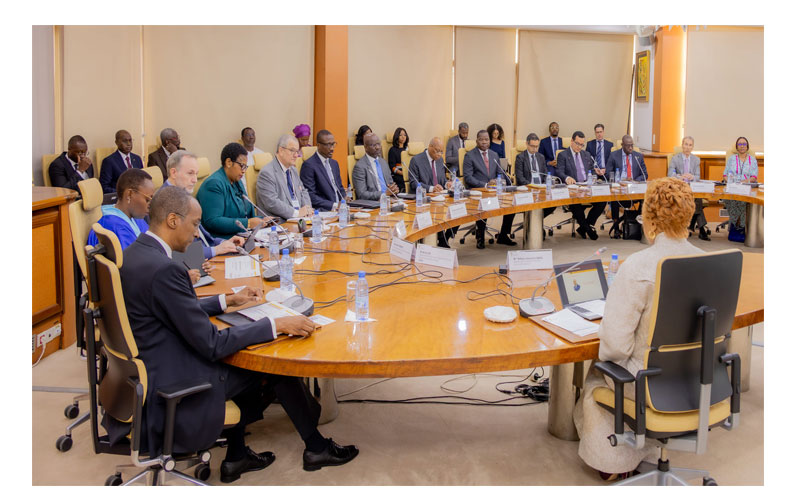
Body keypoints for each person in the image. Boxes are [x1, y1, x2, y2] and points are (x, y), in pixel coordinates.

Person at [105, 185, 359, 482]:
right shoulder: (165, 270)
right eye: (195, 224)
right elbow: (212, 344)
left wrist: (227, 300)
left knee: (248, 352)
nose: (197, 233)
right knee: (272, 362)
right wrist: (275, 325)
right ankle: (316, 448)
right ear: (173, 220)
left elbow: (172, 307)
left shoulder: (137, 253)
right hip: (173, 382)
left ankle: (237, 456)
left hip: (150, 367)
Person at [574, 177, 702, 481]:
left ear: (649, 219)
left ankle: (615, 458)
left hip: (647, 384)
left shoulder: (638, 267)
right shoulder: (707, 261)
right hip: (696, 379)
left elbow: (616, 347)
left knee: (595, 375)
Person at [161, 150, 245, 258]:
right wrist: (215, 250)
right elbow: (178, 252)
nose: (195, 180)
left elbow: (205, 238)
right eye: (190, 173)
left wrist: (224, 242)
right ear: (173, 173)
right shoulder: (164, 202)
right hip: (194, 265)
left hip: (207, 257)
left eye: (196, 174)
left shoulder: (183, 194)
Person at [196, 142, 264, 239]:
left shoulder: (236, 181)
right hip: (222, 241)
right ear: (228, 163)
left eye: (246, 167)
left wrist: (262, 220)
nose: (244, 171)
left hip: (243, 236)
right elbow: (213, 221)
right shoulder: (214, 184)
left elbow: (247, 211)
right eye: (242, 166)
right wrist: (248, 223)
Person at [462, 130, 516, 248]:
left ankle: (503, 234)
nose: (484, 142)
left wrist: (499, 180)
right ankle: (480, 237)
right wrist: (485, 185)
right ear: (477, 141)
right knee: (484, 204)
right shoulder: (469, 156)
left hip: (494, 190)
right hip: (479, 191)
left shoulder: (494, 155)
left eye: (486, 139)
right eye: (481, 139)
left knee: (511, 203)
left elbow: (499, 172)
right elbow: (468, 178)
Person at [555, 131, 606, 240]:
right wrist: (567, 178)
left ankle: (584, 227)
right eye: (577, 143)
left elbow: (592, 170)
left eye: (582, 145)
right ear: (572, 141)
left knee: (602, 200)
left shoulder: (586, 154)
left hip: (586, 186)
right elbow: (559, 172)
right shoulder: (563, 155)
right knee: (575, 203)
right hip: (573, 188)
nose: (579, 147)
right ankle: (587, 229)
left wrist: (593, 177)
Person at [408, 137, 457, 248]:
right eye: (437, 151)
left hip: (440, 198)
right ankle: (440, 238)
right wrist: (431, 188)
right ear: (430, 147)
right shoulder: (416, 160)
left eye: (441, 151)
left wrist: (446, 184)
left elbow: (442, 179)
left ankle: (444, 238)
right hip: (424, 199)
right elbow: (413, 183)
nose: (439, 154)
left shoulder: (440, 160)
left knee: (458, 210)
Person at [87, 168, 153, 249]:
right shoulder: (113, 226)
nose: (150, 205)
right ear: (129, 194)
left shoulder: (135, 217)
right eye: (147, 200)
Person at [256, 134, 314, 221]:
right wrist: (297, 213)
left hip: (299, 220)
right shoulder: (267, 173)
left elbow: (303, 191)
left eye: (297, 152)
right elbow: (272, 202)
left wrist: (307, 209)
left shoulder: (293, 170)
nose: (296, 155)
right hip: (279, 224)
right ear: (281, 150)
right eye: (292, 151)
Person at [668, 136, 710, 241]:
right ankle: (701, 229)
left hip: (692, 187)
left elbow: (698, 177)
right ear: (682, 145)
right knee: (695, 198)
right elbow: (670, 175)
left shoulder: (696, 160)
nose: (687, 147)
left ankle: (693, 226)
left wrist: (692, 177)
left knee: (697, 197)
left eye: (690, 145)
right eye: (686, 144)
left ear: (692, 147)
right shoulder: (675, 158)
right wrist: (680, 177)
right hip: (679, 187)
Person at [606, 135, 648, 237]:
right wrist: (619, 180)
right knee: (615, 199)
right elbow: (608, 173)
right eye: (628, 145)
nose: (630, 148)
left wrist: (634, 180)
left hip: (633, 188)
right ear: (622, 145)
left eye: (632, 145)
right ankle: (616, 227)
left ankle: (638, 226)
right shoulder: (614, 155)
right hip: (619, 187)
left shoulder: (638, 156)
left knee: (644, 198)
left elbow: (644, 174)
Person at [299, 129, 347, 211]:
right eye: (328, 145)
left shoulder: (334, 164)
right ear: (318, 145)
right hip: (323, 211)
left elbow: (340, 188)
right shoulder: (309, 165)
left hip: (340, 209)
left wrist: (345, 199)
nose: (332, 148)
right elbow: (310, 195)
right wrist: (334, 205)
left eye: (333, 144)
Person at [515, 133, 555, 225]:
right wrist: (533, 187)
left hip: (541, 189)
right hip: (528, 189)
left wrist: (544, 185)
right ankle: (534, 224)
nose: (535, 149)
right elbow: (520, 178)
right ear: (527, 144)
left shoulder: (541, 157)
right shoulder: (520, 157)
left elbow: (545, 174)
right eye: (532, 146)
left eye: (537, 146)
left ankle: (535, 221)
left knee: (554, 203)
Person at [722, 136, 758, 233]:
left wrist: (744, 182)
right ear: (737, 147)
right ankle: (735, 225)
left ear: (747, 146)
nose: (742, 146)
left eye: (744, 144)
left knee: (743, 201)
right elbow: (725, 175)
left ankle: (741, 226)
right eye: (740, 144)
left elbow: (754, 177)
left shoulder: (753, 160)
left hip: (746, 188)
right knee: (730, 199)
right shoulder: (731, 159)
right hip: (733, 187)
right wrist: (730, 181)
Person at [352, 133, 399, 201]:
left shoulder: (383, 162)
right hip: (374, 203)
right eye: (373, 145)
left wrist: (394, 189)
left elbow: (390, 184)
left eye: (378, 144)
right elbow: (361, 194)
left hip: (390, 200)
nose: (377, 147)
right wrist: (383, 194)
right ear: (366, 148)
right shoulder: (360, 167)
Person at [99, 130, 144, 194]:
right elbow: (104, 187)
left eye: (130, 140)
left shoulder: (137, 159)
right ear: (116, 142)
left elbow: (143, 180)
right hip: (120, 198)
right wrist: (123, 193)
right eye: (125, 141)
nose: (128, 144)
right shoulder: (109, 161)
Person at [387, 127, 409, 192]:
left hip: (408, 173)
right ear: (397, 136)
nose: (403, 137)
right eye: (401, 135)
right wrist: (403, 173)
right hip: (398, 175)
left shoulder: (408, 149)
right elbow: (392, 167)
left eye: (405, 135)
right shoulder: (392, 150)